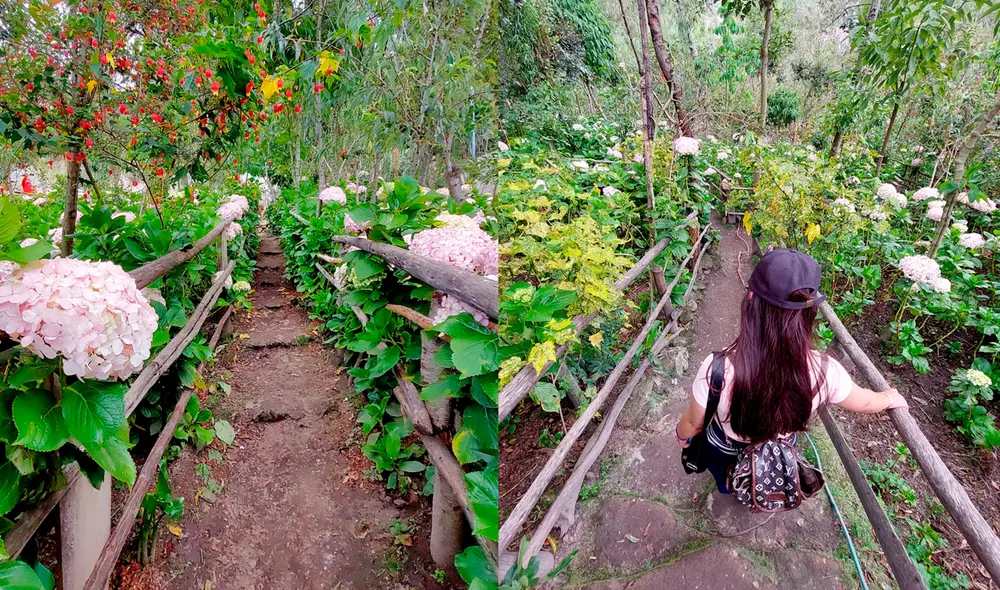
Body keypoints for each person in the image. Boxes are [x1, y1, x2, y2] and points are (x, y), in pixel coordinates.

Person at [674, 248, 908, 494]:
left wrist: (682, 438)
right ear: (810, 311)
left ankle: (733, 490)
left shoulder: (718, 368)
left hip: (728, 447)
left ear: (751, 300)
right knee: (763, 484)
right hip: (781, 448)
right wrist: (890, 397)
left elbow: (693, 422)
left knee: (728, 481)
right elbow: (865, 402)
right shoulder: (825, 371)